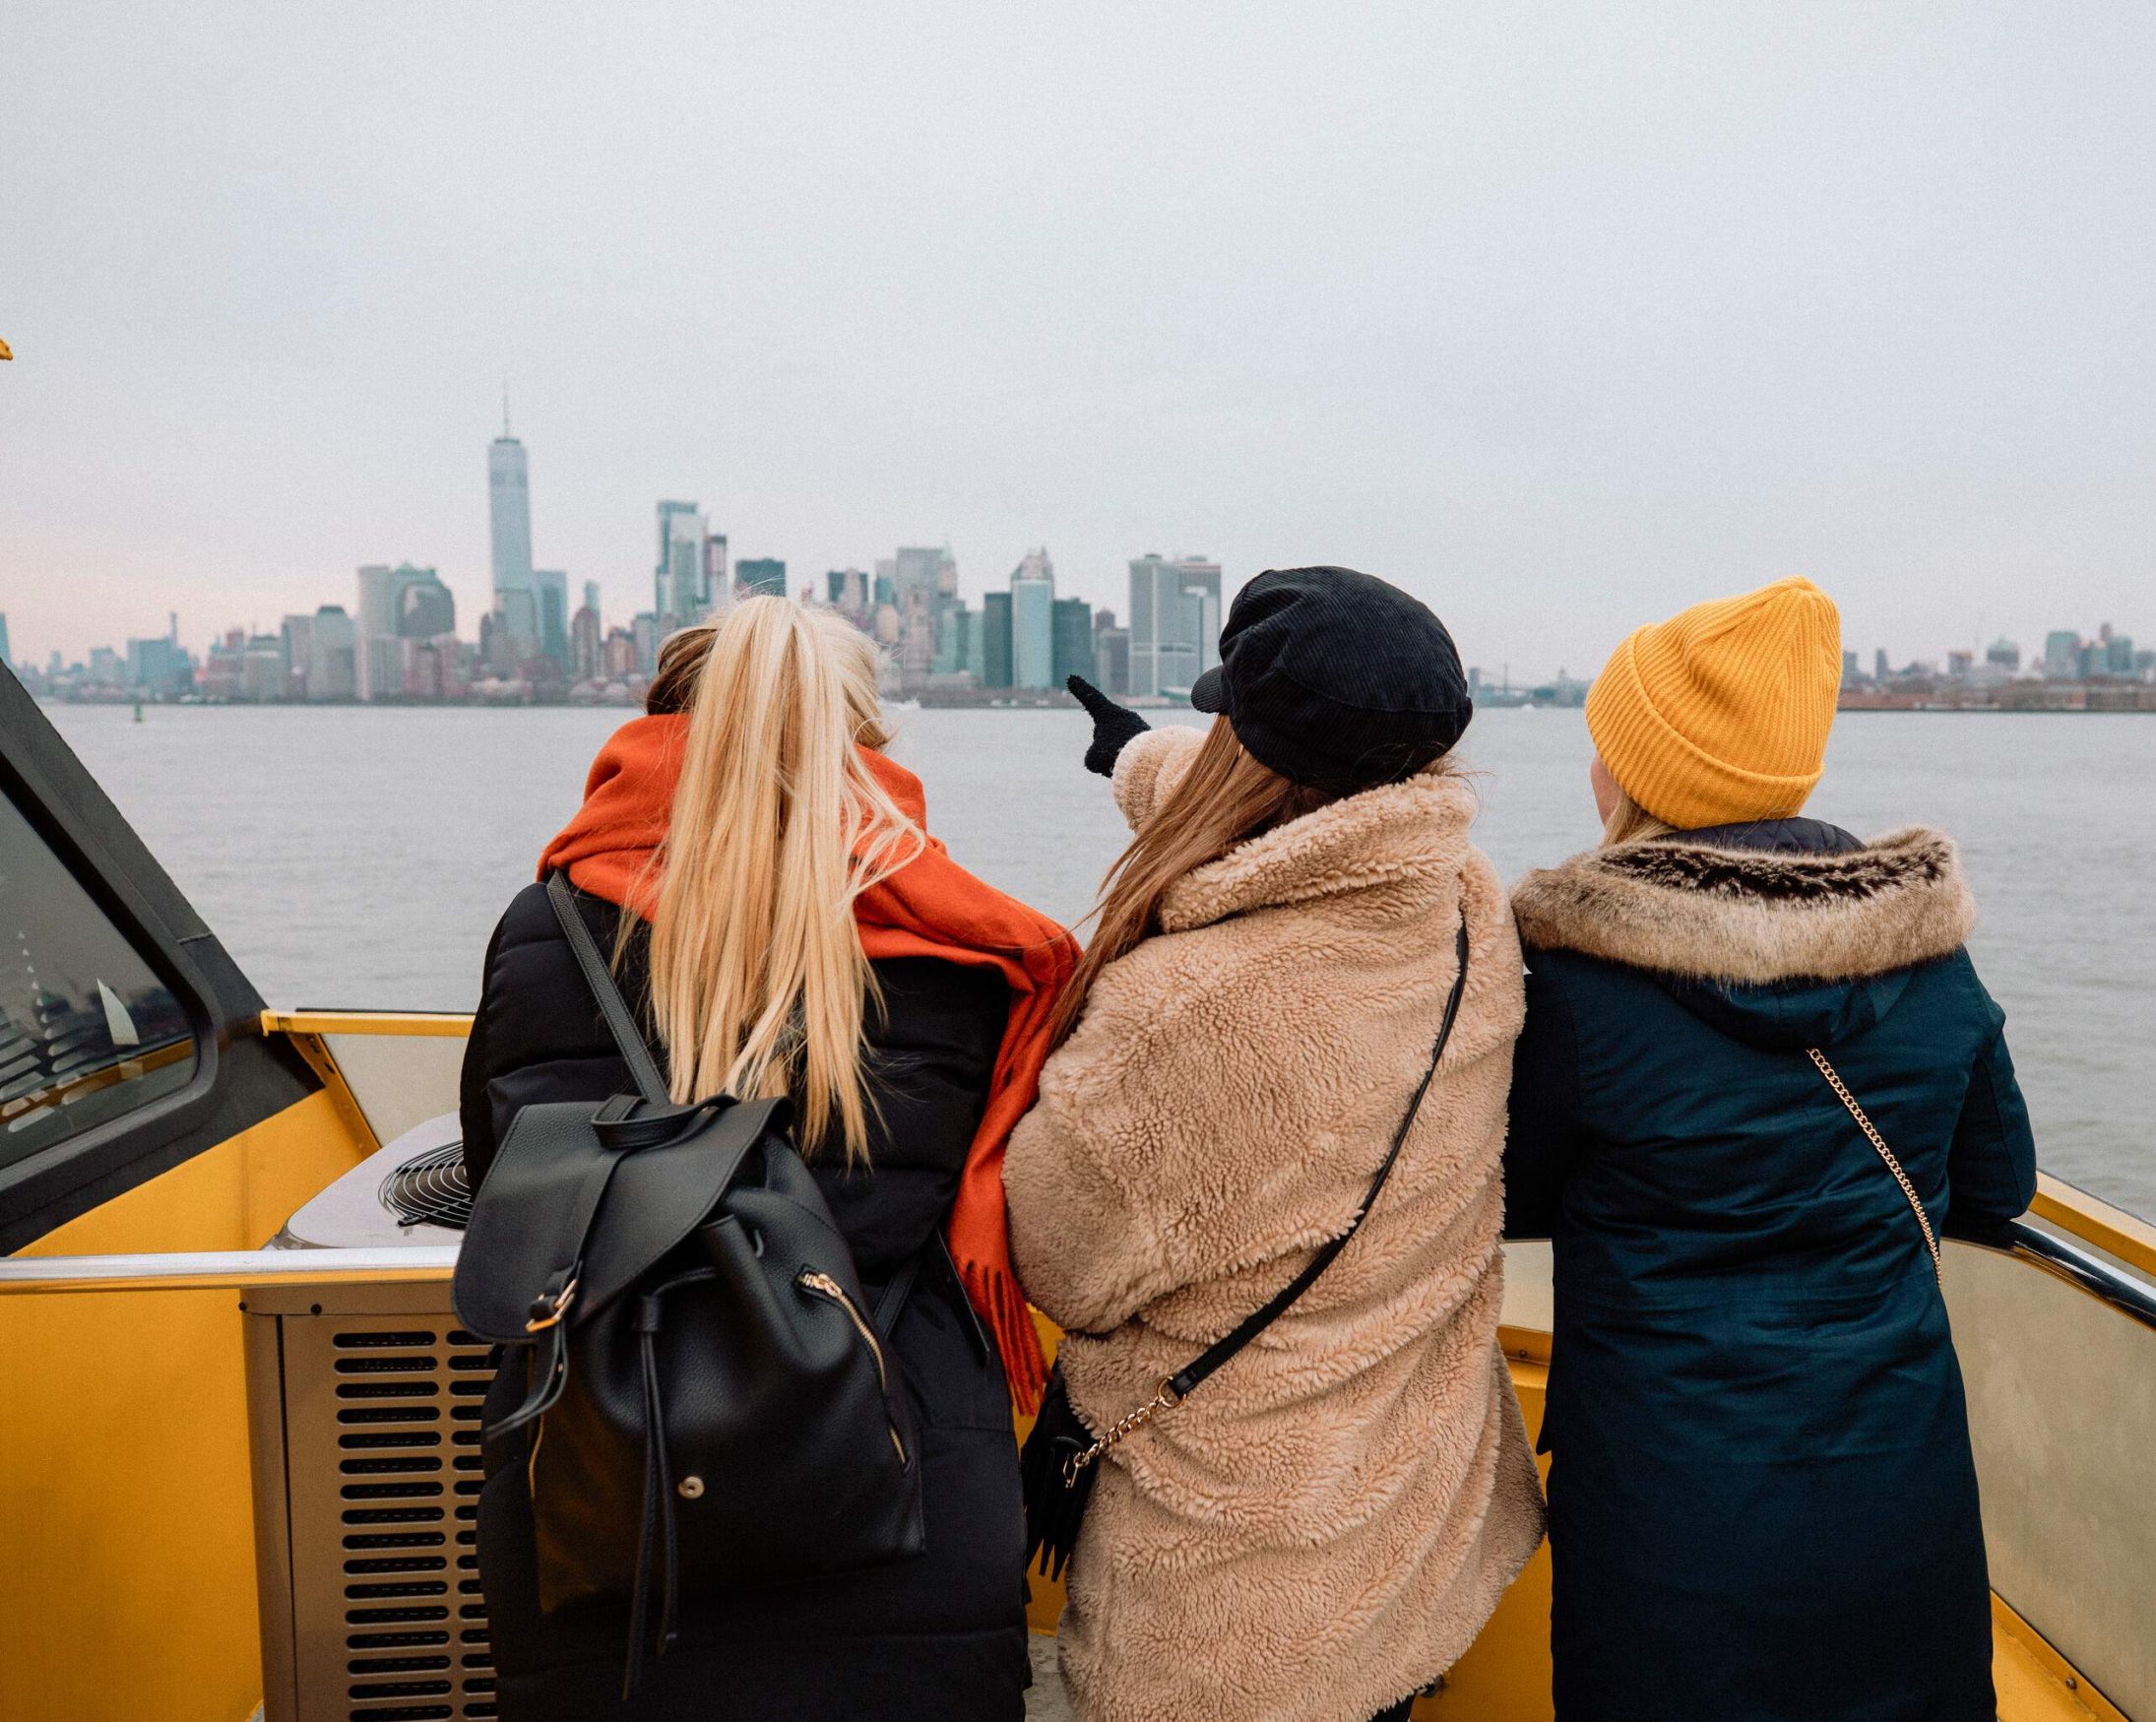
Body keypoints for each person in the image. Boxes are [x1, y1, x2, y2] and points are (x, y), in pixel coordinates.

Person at [458, 597, 1078, 1721]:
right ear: (862, 745)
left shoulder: (543, 923)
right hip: (901, 1475)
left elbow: (506, 1174)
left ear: (661, 723)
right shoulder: (969, 952)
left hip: (614, 1484)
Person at [1003, 567, 1544, 1722]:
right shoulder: (1462, 899)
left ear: (1246, 757)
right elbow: (1307, 828)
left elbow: (1064, 1263)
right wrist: (1135, 759)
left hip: (1237, 1592)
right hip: (1409, 1523)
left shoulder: (1191, 1011)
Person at [1503, 575, 2039, 1720]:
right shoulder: (1928, 959)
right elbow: (1999, 1186)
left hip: (1665, 1488)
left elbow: (1504, 1189)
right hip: (1891, 1477)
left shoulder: (1571, 981)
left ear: (1639, 775)